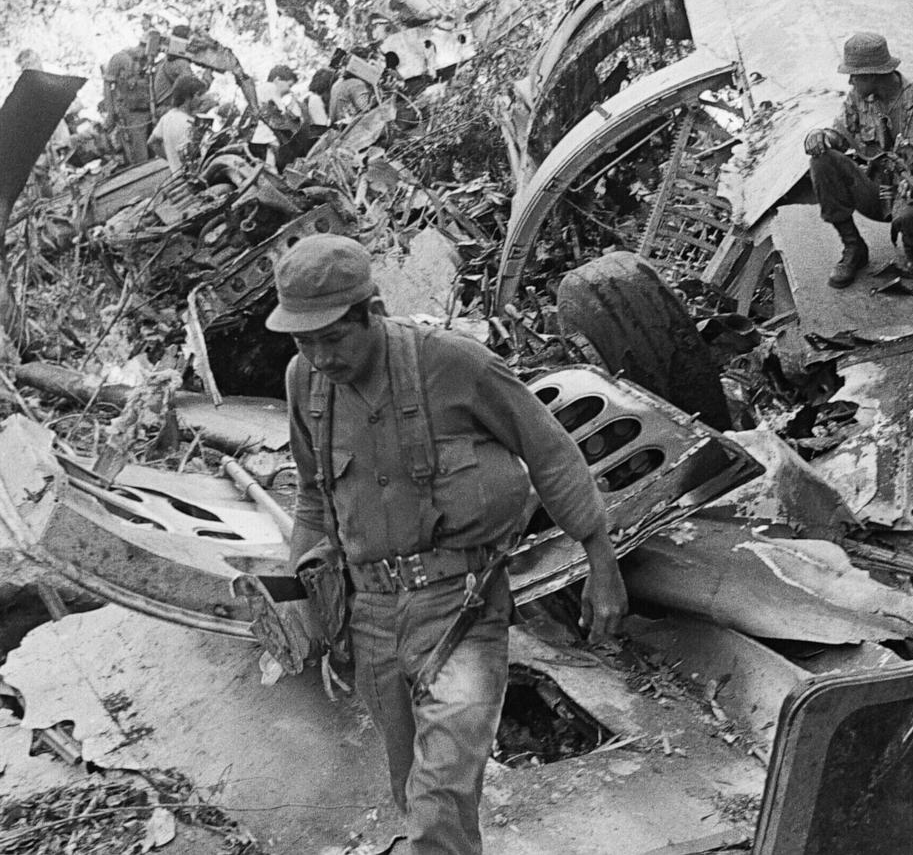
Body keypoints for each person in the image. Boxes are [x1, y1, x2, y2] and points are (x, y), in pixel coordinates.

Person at [267, 235, 627, 855]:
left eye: (333, 338)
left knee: (440, 797)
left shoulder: (456, 363)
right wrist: (299, 591)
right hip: (370, 615)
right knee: (414, 791)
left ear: (373, 312)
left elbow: (549, 452)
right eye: (304, 342)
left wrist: (601, 558)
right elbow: (311, 497)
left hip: (463, 605)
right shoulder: (305, 383)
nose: (320, 357)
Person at [803, 32, 913, 287]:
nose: (850, 81)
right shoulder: (858, 99)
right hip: (872, 190)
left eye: (854, 75)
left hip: (910, 195)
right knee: (822, 161)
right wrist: (819, 136)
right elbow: (840, 135)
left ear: (872, 75)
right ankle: (853, 247)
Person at [103, 32, 160, 164]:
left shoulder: (150, 62)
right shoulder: (120, 58)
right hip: (132, 115)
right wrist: (111, 113)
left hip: (150, 113)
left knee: (155, 153)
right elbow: (107, 85)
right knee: (141, 157)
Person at [149, 75, 207, 167]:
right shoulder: (190, 123)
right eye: (198, 95)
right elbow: (200, 157)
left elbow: (152, 142)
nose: (200, 99)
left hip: (177, 172)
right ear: (188, 97)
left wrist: (171, 160)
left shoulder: (167, 117)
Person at [250, 64, 304, 164]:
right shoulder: (270, 87)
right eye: (289, 85)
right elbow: (282, 111)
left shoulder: (259, 89)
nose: (289, 90)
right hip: (265, 138)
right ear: (277, 80)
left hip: (255, 138)